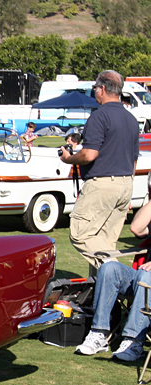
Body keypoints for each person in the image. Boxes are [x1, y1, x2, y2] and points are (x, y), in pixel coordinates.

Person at [59, 69, 141, 274]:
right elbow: (133, 160)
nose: (95, 92)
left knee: (80, 234)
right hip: (125, 184)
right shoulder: (131, 119)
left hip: (102, 184)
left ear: (102, 89)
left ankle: (121, 277)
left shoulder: (99, 116)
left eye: (95, 88)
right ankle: (105, 296)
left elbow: (89, 155)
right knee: (104, 244)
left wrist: (69, 158)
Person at [75, 199, 151, 360]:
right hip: (144, 277)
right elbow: (137, 228)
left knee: (146, 276)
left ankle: (134, 341)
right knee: (109, 268)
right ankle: (99, 333)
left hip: (148, 277)